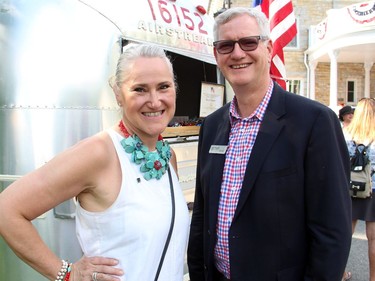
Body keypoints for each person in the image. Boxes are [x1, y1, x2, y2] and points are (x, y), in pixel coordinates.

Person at [187, 7, 352, 281]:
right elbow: (202, 217)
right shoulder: (213, 126)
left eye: (249, 42)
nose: (237, 53)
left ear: (269, 48)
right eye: (226, 45)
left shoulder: (314, 122)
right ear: (216, 55)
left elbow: (332, 231)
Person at [0, 43, 190, 281]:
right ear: (118, 94)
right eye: (140, 89)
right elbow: (6, 208)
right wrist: (65, 273)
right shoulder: (98, 153)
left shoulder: (167, 157)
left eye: (163, 87)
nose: (154, 101)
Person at [342, 98, 375, 281]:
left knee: (345, 234)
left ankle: (340, 273)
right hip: (373, 188)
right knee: (373, 238)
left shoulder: (346, 133)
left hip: (350, 187)